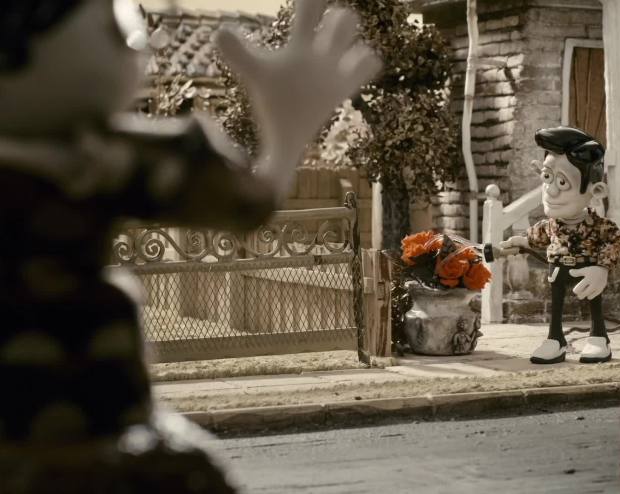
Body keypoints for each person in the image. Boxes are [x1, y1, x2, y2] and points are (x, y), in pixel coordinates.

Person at [0, 0, 381, 491]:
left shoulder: (108, 159)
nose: (133, 45)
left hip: (110, 412)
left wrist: (284, 140)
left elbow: (242, 202)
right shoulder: (107, 160)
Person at [500, 127, 620, 364]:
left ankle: (599, 336)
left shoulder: (599, 226)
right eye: (547, 177)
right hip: (557, 269)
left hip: (587, 268)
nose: (552, 190)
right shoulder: (550, 225)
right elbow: (536, 236)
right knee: (556, 305)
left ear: (596, 190)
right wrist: (521, 242)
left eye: (562, 182)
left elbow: (614, 238)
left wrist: (602, 268)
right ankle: (555, 339)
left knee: (594, 301)